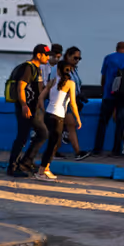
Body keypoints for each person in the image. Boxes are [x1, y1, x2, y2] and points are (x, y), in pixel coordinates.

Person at [7, 44, 51, 178]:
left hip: (34, 108)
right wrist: (24, 105)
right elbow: (21, 87)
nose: (48, 57)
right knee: (25, 136)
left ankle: (24, 163)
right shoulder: (28, 67)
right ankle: (15, 167)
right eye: (46, 54)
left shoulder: (38, 69)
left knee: (37, 134)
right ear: (39, 55)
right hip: (26, 108)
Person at [37, 49, 82, 181]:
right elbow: (73, 103)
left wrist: (44, 111)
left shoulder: (52, 82)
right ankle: (42, 171)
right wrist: (78, 119)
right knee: (53, 145)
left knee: (52, 144)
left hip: (49, 114)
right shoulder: (70, 84)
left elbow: (40, 98)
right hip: (58, 117)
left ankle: (45, 168)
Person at [93, 41, 124, 158]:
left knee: (103, 122)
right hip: (123, 96)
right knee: (120, 123)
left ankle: (97, 149)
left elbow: (103, 76)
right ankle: (116, 150)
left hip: (109, 94)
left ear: (116, 48)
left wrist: (104, 90)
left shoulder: (108, 58)